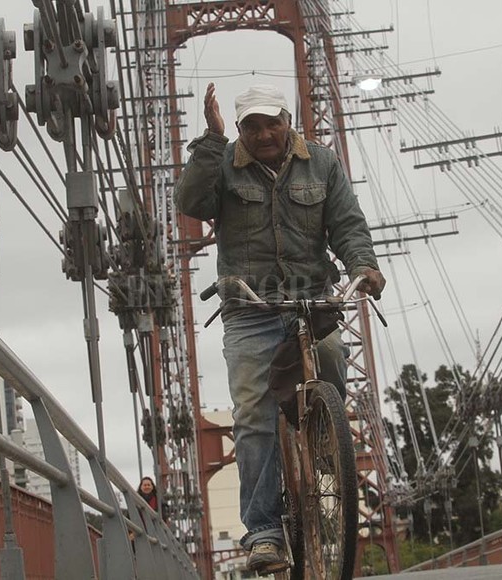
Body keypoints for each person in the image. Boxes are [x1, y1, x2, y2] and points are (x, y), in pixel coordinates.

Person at [174, 83, 385, 574]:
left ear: (287, 120)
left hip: (312, 297)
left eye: (272, 122)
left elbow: (347, 224)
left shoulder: (323, 164)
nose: (264, 134)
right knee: (253, 414)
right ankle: (264, 533)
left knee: (332, 359)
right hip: (249, 306)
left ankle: (325, 438)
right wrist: (210, 139)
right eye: (252, 126)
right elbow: (191, 202)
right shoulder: (223, 163)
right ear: (241, 129)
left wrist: (363, 265)